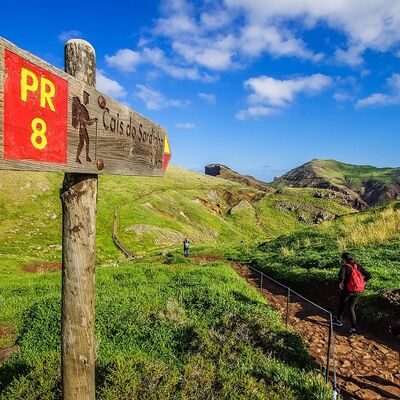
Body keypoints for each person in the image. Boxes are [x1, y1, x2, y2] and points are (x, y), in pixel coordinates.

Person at [332, 252, 371, 337]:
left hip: (347, 290)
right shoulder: (358, 266)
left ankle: (338, 321)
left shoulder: (344, 267)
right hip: (357, 291)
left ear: (344, 259)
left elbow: (341, 277)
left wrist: (341, 283)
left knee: (342, 305)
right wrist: (362, 282)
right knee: (351, 308)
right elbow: (369, 276)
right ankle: (353, 330)